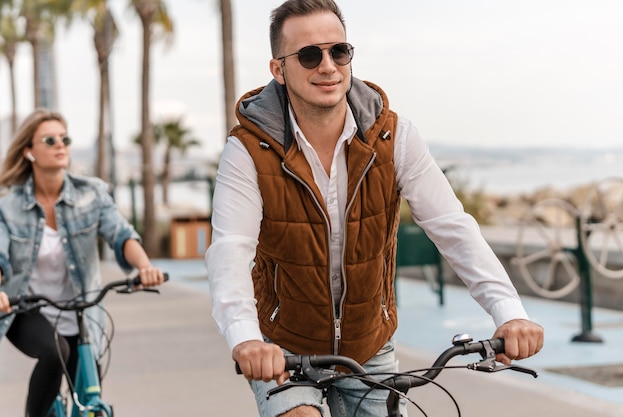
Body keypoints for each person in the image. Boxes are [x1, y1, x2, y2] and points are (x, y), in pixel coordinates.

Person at [205, 1, 544, 416]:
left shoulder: (394, 137)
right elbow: (230, 250)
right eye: (310, 55)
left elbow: (452, 227)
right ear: (279, 69)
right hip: (283, 349)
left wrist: (509, 313)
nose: (328, 66)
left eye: (339, 51)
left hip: (369, 345)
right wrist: (246, 339)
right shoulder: (248, 151)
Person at [0, 109, 165, 417]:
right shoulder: (8, 205)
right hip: (27, 309)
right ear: (29, 151)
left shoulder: (92, 194)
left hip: (83, 313)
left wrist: (144, 267)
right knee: (54, 352)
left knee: (88, 395)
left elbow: (121, 234)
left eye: (65, 138)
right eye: (49, 140)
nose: (60, 145)